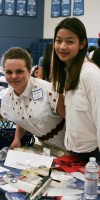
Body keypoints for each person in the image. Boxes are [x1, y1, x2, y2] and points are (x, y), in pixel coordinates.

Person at [52, 17, 100, 163]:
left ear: (82, 43)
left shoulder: (90, 74)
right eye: (59, 41)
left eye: (70, 41)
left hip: (94, 156)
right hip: (75, 152)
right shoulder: (67, 73)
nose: (62, 47)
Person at [0, 47, 66, 153]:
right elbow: (21, 118)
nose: (13, 76)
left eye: (19, 71)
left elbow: (72, 121)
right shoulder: (8, 99)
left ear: (30, 71)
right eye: (8, 72)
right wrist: (17, 139)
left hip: (71, 147)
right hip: (47, 148)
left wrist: (75, 152)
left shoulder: (48, 91)